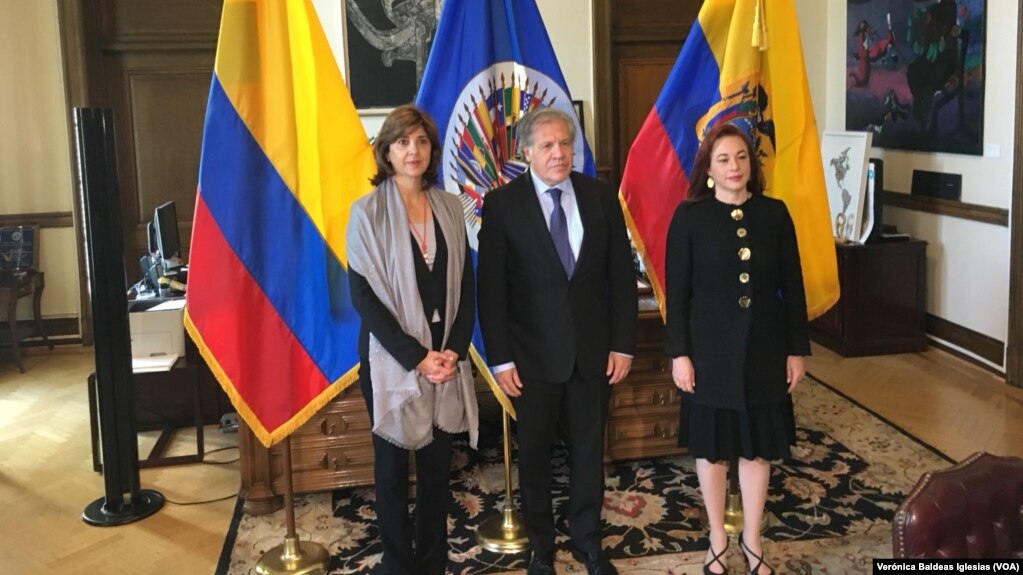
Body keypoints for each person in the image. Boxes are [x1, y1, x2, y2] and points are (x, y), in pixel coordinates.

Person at [477, 107, 638, 575]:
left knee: (590, 454)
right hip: (531, 361)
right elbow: (492, 292)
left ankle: (588, 541)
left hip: (593, 356)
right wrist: (501, 360)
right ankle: (541, 547)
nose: (559, 153)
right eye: (547, 145)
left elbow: (621, 279)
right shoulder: (503, 206)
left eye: (566, 143)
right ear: (526, 152)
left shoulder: (600, 197)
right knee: (536, 459)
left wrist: (623, 344)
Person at [664, 122, 809, 575]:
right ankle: (716, 536)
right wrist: (679, 353)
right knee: (712, 451)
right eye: (724, 159)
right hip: (708, 355)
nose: (735, 167)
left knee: (756, 450)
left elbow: (794, 288)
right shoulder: (689, 217)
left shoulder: (775, 213)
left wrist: (796, 349)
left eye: (742, 157)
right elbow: (678, 292)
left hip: (765, 350)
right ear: (708, 167)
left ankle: (752, 538)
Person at [346, 105, 478, 575]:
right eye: (402, 142)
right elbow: (363, 297)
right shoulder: (365, 213)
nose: (413, 151)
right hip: (392, 362)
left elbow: (466, 287)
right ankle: (399, 565)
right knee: (391, 473)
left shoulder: (449, 207)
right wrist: (417, 358)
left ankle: (432, 563)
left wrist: (453, 352)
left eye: (421, 142)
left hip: (445, 359)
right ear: (385, 151)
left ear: (432, 150)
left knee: (438, 472)